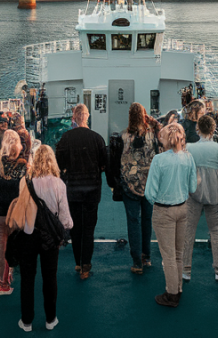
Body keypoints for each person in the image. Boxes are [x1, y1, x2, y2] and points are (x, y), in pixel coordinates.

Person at [9, 145, 73, 332]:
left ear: (35, 160)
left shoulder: (25, 182)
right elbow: (65, 219)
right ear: (52, 160)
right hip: (50, 238)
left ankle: (27, 321)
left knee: (28, 279)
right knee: (50, 278)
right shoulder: (59, 184)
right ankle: (50, 319)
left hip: (29, 235)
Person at [145, 122, 197, 307]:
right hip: (182, 209)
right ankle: (178, 288)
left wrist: (160, 202)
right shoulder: (188, 158)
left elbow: (149, 193)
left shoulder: (159, 160)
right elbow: (192, 187)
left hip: (164, 211)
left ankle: (172, 294)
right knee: (178, 254)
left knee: (168, 256)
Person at [55, 103, 108, 279]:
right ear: (87, 116)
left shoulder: (66, 138)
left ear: (75, 117)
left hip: (73, 190)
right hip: (92, 189)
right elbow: (104, 163)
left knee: (76, 226)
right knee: (89, 228)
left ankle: (78, 263)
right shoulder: (97, 138)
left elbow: (59, 164)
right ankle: (86, 265)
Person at [118, 102, 161, 274]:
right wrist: (152, 121)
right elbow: (164, 133)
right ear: (144, 116)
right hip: (149, 184)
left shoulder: (123, 136)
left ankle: (137, 262)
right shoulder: (152, 135)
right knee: (147, 219)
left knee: (133, 221)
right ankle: (147, 256)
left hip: (130, 186)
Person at [183, 114, 218, 281]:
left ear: (197, 129)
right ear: (213, 129)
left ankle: (186, 271)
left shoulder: (190, 147)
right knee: (216, 232)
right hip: (215, 193)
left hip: (194, 193)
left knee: (189, 231)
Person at [0, 129, 27, 294]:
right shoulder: (22, 165)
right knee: (16, 243)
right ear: (17, 145)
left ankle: (1, 284)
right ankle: (12, 270)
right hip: (15, 214)